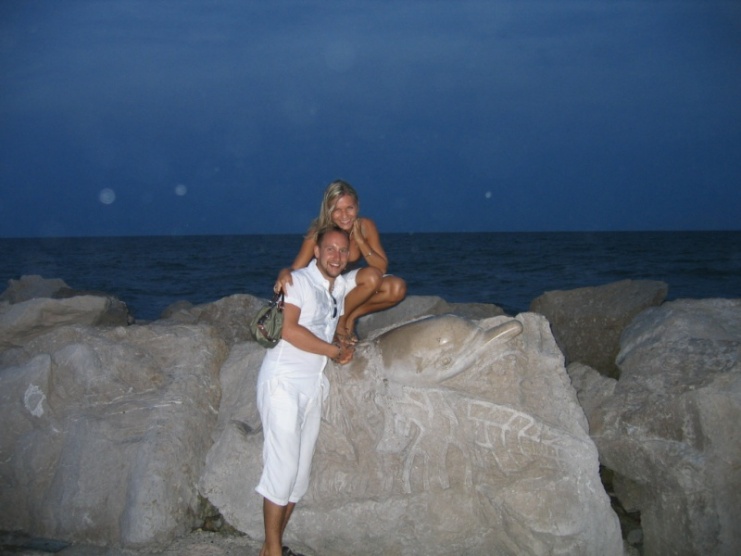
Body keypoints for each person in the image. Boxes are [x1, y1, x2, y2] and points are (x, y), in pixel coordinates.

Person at [256, 226, 355, 556]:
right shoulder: (298, 281)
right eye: (330, 249)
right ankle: (273, 552)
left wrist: (341, 343)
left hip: (312, 386)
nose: (336, 256)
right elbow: (288, 329)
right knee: (282, 469)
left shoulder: (338, 289)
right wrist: (333, 351)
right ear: (316, 251)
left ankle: (270, 548)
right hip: (283, 382)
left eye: (343, 250)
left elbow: (377, 277)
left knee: (298, 479)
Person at [274, 179, 407, 342]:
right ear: (328, 210)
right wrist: (283, 273)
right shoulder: (318, 233)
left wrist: (360, 240)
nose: (344, 216)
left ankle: (348, 317)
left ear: (357, 206)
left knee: (396, 288)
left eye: (349, 208)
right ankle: (340, 322)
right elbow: (296, 268)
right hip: (326, 288)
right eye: (337, 210)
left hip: (345, 286)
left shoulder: (366, 226)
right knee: (371, 277)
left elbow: (382, 267)